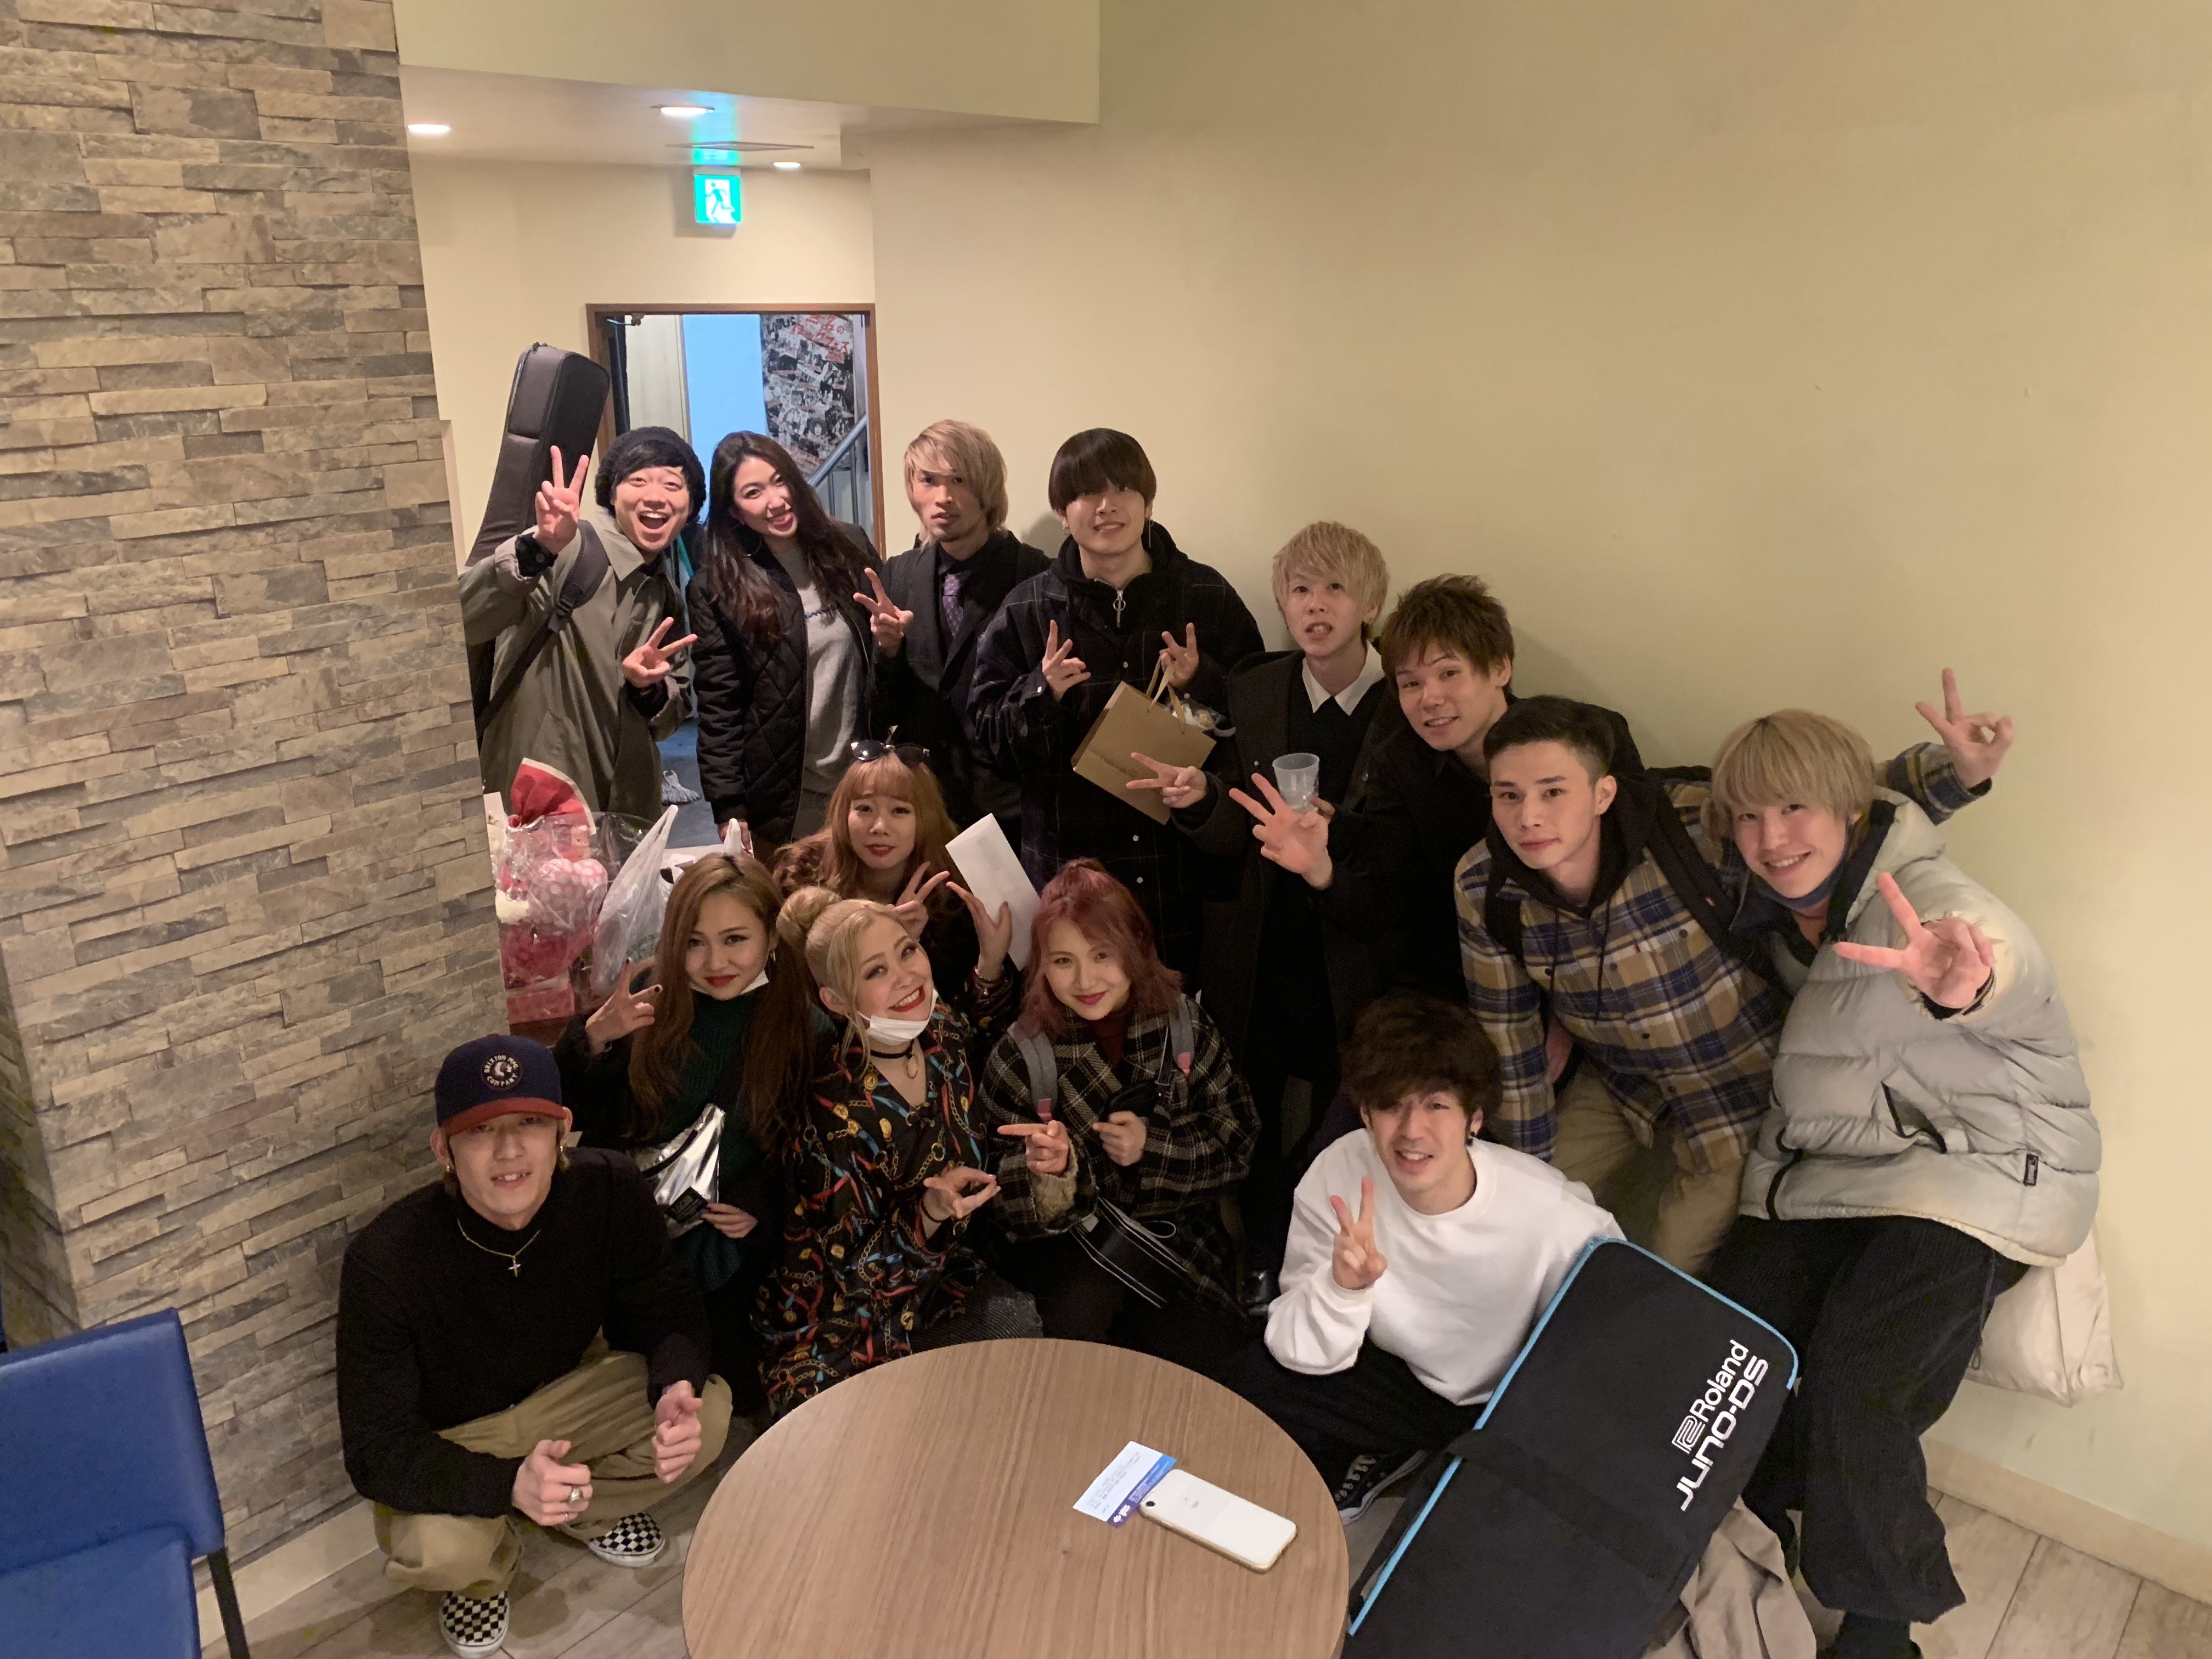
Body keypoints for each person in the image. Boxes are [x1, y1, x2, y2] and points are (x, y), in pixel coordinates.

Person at [1700, 711, 2095, 1659]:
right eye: (1749, 815)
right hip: (1848, 1169)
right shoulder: (1774, 907)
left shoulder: (1922, 896)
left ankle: (1881, 1628)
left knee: (1858, 1382)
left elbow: (2003, 959)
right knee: (1726, 1341)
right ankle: (1754, 1536)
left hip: (1983, 1169)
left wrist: (1968, 982)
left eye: (1794, 808)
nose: (1771, 837)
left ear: (1851, 807)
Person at [1457, 687, 2008, 1272]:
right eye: (1509, 795)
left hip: (1737, 1085)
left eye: (1553, 792)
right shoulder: (1484, 885)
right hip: (1623, 1083)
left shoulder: (1684, 825)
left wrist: (1957, 772)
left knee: (1671, 1264)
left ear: (1602, 794)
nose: (1529, 817)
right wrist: (1528, 1175)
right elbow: (1508, 1034)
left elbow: (1824, 798)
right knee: (1513, 1219)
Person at [336, 1036, 732, 1658]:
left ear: (562, 1131)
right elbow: (375, 1450)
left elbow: (665, 1304)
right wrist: (508, 1485)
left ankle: (584, 1510)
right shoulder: (385, 1260)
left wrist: (675, 1383)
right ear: (444, 1150)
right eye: (481, 1130)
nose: (509, 1150)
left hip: (573, 1398)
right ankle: (487, 1569)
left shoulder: (609, 1188)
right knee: (438, 1552)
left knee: (704, 1416)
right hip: (463, 1435)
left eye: (530, 1123)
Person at [1229, 994, 1620, 1523]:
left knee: (1500, 1525)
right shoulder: (1339, 1172)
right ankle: (1388, 1450)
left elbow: (1618, 1318)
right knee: (1253, 1376)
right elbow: (1298, 1347)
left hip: (1499, 1404)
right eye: (1392, 1106)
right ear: (1366, 1114)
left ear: (1474, 1120)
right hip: (1401, 1375)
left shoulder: (1551, 1214)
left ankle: (1429, 1463)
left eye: (1437, 1106)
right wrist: (1343, 1289)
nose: (1412, 1131)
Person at [1131, 521, 1395, 1297]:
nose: (1315, 606)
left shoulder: (1403, 702)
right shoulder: (1257, 685)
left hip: (1356, 954)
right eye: (1300, 590)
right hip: (1260, 942)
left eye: (1335, 589)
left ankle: (1329, 1262)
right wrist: (1198, 799)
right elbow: (1234, 827)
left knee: (1343, 1115)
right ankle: (1259, 1257)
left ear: (1370, 605)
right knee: (1250, 1101)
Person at [966, 427, 1264, 975]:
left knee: (1178, 1021)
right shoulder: (1027, 610)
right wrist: (1043, 692)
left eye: (1123, 489)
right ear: (1063, 512)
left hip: (1179, 881)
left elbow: (1259, 727)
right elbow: (987, 743)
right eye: (1086, 493)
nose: (1106, 507)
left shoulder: (1205, 597)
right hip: (1070, 879)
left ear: (1147, 502)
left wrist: (1202, 682)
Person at [554, 855, 821, 1410]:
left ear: (772, 937)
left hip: (727, 1248)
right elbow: (572, 1112)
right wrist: (594, 1039)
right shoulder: (648, 994)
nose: (715, 962)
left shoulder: (802, 1024)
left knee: (723, 1395)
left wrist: (760, 1206)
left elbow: (811, 1146)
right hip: (631, 1237)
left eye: (735, 939)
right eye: (695, 942)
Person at [978, 860, 1257, 1378]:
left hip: (1176, 1245)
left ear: (1135, 949)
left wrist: (1154, 1146)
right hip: (1071, 1253)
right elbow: (992, 1199)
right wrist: (1051, 1173)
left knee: (1216, 1369)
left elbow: (1239, 1143)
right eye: (1063, 961)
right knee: (1080, 1354)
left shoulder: (1184, 1026)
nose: (1085, 980)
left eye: (1102, 955)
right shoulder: (1022, 1055)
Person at [758, 898, 1017, 1412]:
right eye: (876, 971)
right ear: (836, 1001)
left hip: (945, 1280)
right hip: (843, 1328)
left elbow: (978, 1034)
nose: (906, 977)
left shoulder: (940, 1028)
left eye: (907, 951)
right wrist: (930, 1214)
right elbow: (858, 1276)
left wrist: (991, 961)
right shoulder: (833, 1116)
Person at [464, 429, 702, 820]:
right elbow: (464, 620)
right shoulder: (565, 548)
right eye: (638, 480)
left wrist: (648, 690)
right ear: (612, 495)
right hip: (541, 805)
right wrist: (538, 549)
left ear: (690, 506)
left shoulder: (664, 593)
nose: (656, 496)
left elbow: (669, 720)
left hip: (627, 810)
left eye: (672, 485)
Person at [688, 431, 882, 850]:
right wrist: (728, 806)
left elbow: (883, 658)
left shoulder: (848, 547)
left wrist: (895, 642)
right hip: (785, 796)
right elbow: (720, 706)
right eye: (754, 493)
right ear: (735, 512)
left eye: (780, 481)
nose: (775, 501)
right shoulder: (717, 587)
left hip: (864, 781)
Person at [869, 421, 1052, 837]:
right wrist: (889, 652)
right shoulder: (898, 575)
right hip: (923, 805)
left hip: (1011, 807)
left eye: (959, 480)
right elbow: (882, 713)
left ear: (988, 489)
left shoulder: (1034, 576)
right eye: (928, 481)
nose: (943, 497)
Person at [771, 742, 1016, 1006]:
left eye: (900, 810)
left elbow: (957, 1024)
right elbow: (795, 1000)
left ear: (925, 820)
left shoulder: (951, 899)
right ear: (843, 813)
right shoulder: (800, 878)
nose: (880, 827)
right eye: (864, 808)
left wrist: (990, 963)